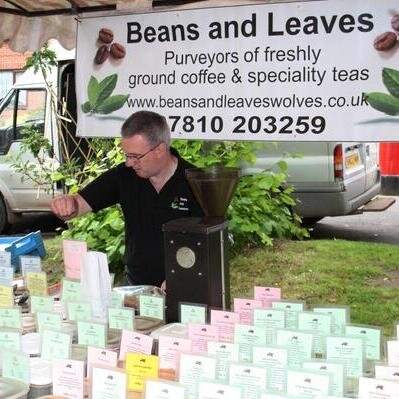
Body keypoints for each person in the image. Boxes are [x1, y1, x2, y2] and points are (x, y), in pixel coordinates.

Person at [51, 110, 203, 287]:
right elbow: (79, 204)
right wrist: (67, 204)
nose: (130, 163)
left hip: (186, 284)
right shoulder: (124, 176)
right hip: (136, 285)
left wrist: (183, 276)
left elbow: (210, 243)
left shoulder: (197, 182)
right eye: (127, 155)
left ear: (160, 150)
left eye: (135, 156)